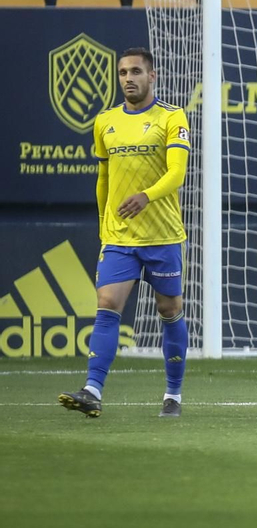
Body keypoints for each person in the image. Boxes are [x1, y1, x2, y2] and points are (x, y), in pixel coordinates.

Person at [57, 49, 192, 419]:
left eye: (135, 71)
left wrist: (146, 196)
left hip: (163, 235)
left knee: (169, 309)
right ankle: (92, 390)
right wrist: (104, 222)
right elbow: (103, 177)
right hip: (119, 237)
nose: (128, 78)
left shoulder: (172, 117)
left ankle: (173, 395)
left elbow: (177, 174)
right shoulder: (105, 121)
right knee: (107, 305)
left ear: (153, 76)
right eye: (122, 72)